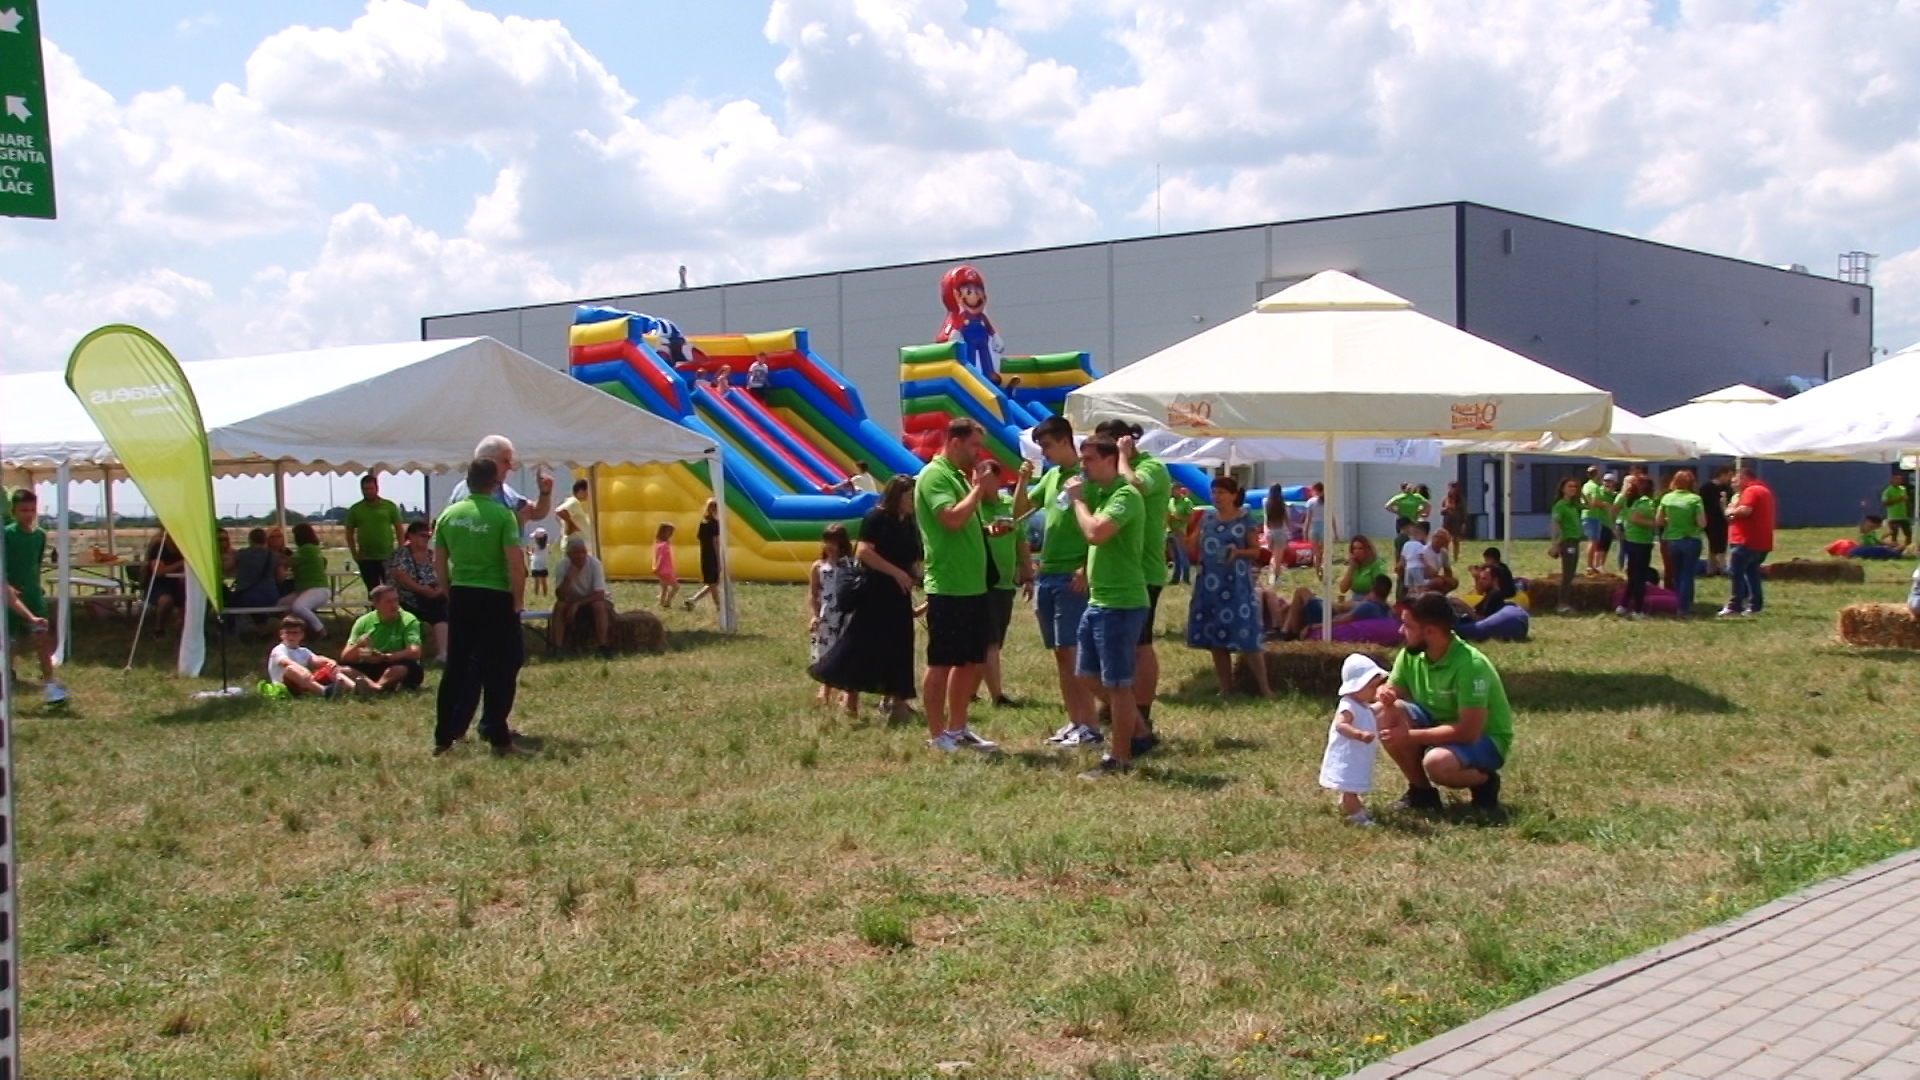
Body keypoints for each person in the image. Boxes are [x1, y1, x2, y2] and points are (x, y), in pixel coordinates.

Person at [1377, 592, 1513, 813]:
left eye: (1407, 625)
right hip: (1438, 725)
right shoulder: (1410, 654)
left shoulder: (1471, 665)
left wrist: (1409, 736)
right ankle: (1422, 794)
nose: (1401, 631)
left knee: (1437, 764)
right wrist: (1383, 694)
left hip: (1484, 739)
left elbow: (1468, 732)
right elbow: (1391, 692)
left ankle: (1485, 782)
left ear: (1430, 631)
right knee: (1385, 712)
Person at [433, 457, 531, 757]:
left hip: (462, 594)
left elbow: (439, 561)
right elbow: (515, 564)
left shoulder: (448, 515)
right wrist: (517, 600)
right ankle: (498, 738)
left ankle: (443, 737)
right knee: (500, 667)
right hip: (495, 596)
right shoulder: (502, 516)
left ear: (468, 481)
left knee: (456, 667)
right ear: (495, 483)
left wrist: (448, 591)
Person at [1068, 435, 1151, 778]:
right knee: (1085, 674)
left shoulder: (1125, 495)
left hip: (1121, 602)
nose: (1083, 465)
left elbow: (1096, 533)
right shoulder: (1102, 494)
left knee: (1117, 684)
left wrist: (1077, 502)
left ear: (1109, 460)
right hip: (1100, 599)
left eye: (1088, 459)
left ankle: (1119, 758)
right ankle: (1138, 730)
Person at [913, 417, 999, 753]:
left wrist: (987, 530)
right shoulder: (935, 475)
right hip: (949, 585)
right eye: (975, 445)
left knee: (970, 661)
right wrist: (978, 489)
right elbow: (949, 519)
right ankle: (937, 735)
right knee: (942, 662)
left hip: (972, 585)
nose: (979, 453)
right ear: (954, 442)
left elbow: (962, 523)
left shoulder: (958, 477)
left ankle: (958, 728)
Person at [1016, 418, 1101, 748]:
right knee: (1061, 654)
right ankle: (1076, 720)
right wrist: (1023, 481)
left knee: (1073, 652)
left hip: (1071, 575)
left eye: (1048, 445)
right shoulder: (1051, 477)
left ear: (1066, 441)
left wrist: (1086, 567)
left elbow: (1100, 524)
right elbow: (1020, 511)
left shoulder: (1088, 478)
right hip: (1047, 574)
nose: (1045, 453)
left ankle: (1090, 725)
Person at [811, 475, 921, 722]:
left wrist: (915, 575)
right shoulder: (876, 518)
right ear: (897, 495)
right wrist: (896, 573)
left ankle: (899, 702)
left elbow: (911, 556)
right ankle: (850, 698)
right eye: (909, 496)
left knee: (901, 645)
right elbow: (864, 552)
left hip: (900, 593)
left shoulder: (909, 522)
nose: (913, 501)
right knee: (863, 644)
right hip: (875, 591)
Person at [1095, 419, 1171, 754]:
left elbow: (1134, 486)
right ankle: (1118, 704)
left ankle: (1142, 710)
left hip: (1145, 570)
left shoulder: (1151, 467)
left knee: (1141, 644)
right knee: (1115, 644)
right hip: (1117, 572)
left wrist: (1123, 457)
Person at [1184, 475, 1271, 697]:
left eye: (1222, 492)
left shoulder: (1245, 520)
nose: (1217, 497)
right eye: (1214, 492)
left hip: (1236, 586)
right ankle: (1226, 687)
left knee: (1246, 636)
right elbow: (1191, 546)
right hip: (1209, 585)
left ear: (1233, 495)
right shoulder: (1207, 519)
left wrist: (1238, 552)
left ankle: (1264, 688)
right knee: (1216, 637)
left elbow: (1257, 552)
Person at [4, 489, 62, 703]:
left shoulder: (39, 535)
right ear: (14, 511)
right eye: (23, 510)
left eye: (32, 510)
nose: (28, 515)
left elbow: (35, 564)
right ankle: (7, 675)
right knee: (9, 641)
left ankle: (49, 682)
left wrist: (36, 588)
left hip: (32, 593)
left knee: (42, 637)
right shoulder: (6, 534)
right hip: (9, 595)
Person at [980, 464, 1027, 708]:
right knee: (989, 641)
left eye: (987, 479)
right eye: (978, 479)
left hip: (1006, 583)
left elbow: (1021, 540)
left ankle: (971, 691)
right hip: (984, 581)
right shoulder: (975, 507)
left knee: (995, 641)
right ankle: (997, 696)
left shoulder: (1009, 505)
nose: (980, 484)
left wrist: (1027, 573)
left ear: (998, 480)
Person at [1321, 654, 1386, 826]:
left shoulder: (1362, 706)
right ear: (1357, 686)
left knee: (1352, 785)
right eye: (1371, 687)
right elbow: (1341, 725)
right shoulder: (1348, 705)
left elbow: (1371, 713)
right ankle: (1357, 816)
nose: (1375, 691)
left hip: (1358, 755)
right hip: (1348, 756)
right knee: (1350, 789)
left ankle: (1349, 803)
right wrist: (1359, 734)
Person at [449, 434, 554, 528]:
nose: (510, 467)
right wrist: (514, 522)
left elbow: (535, 512)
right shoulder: (466, 492)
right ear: (488, 461)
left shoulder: (500, 488)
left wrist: (544, 494)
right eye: (505, 461)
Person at [807, 524, 859, 714]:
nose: (829, 546)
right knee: (826, 653)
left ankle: (847, 691)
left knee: (846, 652)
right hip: (827, 616)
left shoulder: (851, 565)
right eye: (827, 541)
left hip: (847, 616)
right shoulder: (819, 567)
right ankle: (826, 688)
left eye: (834, 542)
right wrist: (814, 615)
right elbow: (814, 594)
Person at [341, 585, 426, 691]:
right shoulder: (363, 622)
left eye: (396, 600)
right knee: (342, 669)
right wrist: (359, 646)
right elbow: (345, 658)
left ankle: (375, 687)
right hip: (370, 665)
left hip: (395, 663)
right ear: (376, 604)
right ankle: (375, 687)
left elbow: (415, 652)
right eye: (388, 602)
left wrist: (386, 657)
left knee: (402, 668)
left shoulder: (408, 620)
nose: (394, 605)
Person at [387, 521, 449, 663]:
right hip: (406, 598)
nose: (426, 539)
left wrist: (439, 589)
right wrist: (422, 590)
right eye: (422, 535)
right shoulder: (401, 554)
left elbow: (442, 574)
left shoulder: (431, 555)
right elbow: (401, 577)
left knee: (445, 607)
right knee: (438, 608)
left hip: (431, 597)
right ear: (411, 536)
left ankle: (444, 652)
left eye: (428, 536)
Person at [1721, 465, 1776, 618]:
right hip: (1761, 541)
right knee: (1752, 572)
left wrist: (1730, 510)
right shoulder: (1764, 490)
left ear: (1744, 478)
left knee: (1736, 572)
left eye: (1735, 480)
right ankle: (1754, 605)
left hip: (1746, 540)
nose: (1732, 483)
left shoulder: (1751, 491)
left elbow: (1745, 511)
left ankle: (1735, 605)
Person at [267, 616, 363, 698]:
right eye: (288, 633)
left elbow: (316, 659)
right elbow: (286, 662)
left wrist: (330, 662)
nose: (291, 636)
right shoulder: (278, 650)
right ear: (281, 634)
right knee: (291, 669)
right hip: (285, 687)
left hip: (303, 683)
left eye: (295, 633)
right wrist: (302, 669)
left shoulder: (303, 651)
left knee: (334, 669)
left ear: (302, 635)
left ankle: (356, 690)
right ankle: (324, 691)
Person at [342, 474, 405, 596]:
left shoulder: (389, 506)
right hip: (367, 558)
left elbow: (399, 528)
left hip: (387, 556)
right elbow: (349, 533)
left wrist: (400, 550)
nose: (368, 492)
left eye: (371, 488)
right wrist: (354, 553)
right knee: (373, 592)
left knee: (390, 590)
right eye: (365, 489)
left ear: (377, 488)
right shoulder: (356, 509)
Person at [552, 535, 613, 658]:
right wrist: (568, 579)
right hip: (572, 599)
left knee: (598, 606)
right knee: (559, 607)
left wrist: (577, 605)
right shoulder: (562, 566)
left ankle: (603, 646)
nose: (580, 556)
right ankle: (557, 648)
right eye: (576, 553)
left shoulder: (594, 564)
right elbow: (560, 596)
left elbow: (599, 594)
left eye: (583, 552)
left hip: (594, 599)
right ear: (569, 555)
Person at [1657, 470, 1706, 614]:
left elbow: (1659, 521)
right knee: (1687, 574)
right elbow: (1702, 523)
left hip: (1672, 540)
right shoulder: (1695, 499)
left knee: (1677, 574)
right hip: (1691, 539)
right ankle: (1684, 606)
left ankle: (1677, 603)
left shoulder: (1667, 498)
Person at [1616, 474, 1658, 618]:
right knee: (1640, 577)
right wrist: (1655, 523)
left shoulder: (1633, 501)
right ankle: (1638, 609)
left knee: (1633, 576)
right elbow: (1635, 518)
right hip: (1641, 541)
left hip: (1631, 540)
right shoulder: (1645, 502)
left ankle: (1623, 605)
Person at [285, 523, 332, 636]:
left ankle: (321, 630)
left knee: (298, 607)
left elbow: (287, 563)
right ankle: (293, 630)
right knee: (282, 604)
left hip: (316, 589)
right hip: (313, 589)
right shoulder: (315, 549)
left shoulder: (305, 549)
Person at [1547, 477, 1582, 614]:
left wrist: (1581, 493)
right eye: (1569, 486)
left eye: (1575, 486)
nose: (1573, 489)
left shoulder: (1573, 505)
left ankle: (1565, 602)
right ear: (1562, 489)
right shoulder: (1560, 505)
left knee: (1571, 574)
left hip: (1575, 541)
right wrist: (1555, 544)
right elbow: (1555, 524)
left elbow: (1589, 505)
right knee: (1567, 574)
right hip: (1567, 541)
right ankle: (1562, 604)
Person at [142, 528, 186, 634]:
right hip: (160, 584)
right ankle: (159, 629)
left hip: (181, 583)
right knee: (166, 600)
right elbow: (159, 571)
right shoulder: (159, 547)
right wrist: (182, 563)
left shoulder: (186, 547)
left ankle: (186, 628)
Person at [684, 500, 723, 613]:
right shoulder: (715, 524)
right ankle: (719, 606)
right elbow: (715, 542)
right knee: (713, 583)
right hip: (712, 555)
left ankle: (693, 600)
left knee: (712, 583)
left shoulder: (703, 523)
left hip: (705, 554)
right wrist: (719, 559)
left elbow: (701, 538)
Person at [1700, 465, 1733, 577]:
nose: (1730, 479)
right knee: (1713, 545)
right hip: (1710, 521)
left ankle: (1720, 567)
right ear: (1722, 474)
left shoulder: (1728, 489)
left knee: (1722, 545)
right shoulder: (1706, 488)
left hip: (1723, 521)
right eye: (1729, 476)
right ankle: (1713, 568)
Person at [1472, 547, 1517, 620]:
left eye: (1486, 560)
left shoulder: (1495, 571)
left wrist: (1476, 577)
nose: (1485, 562)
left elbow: (1479, 594)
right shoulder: (1503, 567)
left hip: (1506, 595)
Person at [1166, 484, 1198, 585]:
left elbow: (1191, 518)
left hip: (1180, 531)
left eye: (1174, 490)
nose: (1172, 492)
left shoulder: (1186, 502)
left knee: (1182, 555)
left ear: (1179, 490)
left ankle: (1186, 578)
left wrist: (1178, 518)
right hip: (1170, 530)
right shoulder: (1170, 501)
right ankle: (1175, 578)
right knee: (1175, 557)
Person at [554, 478, 595, 557]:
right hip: (575, 549)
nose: (588, 494)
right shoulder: (574, 502)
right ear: (581, 491)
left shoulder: (577, 504)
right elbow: (560, 511)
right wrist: (571, 525)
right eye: (587, 491)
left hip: (578, 549)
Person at [652, 522, 680, 609]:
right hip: (666, 570)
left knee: (664, 588)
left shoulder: (658, 543)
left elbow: (657, 556)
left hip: (662, 571)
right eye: (669, 532)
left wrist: (656, 568)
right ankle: (667, 602)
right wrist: (657, 567)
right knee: (676, 587)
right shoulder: (664, 545)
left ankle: (661, 603)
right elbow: (661, 557)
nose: (671, 534)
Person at [1303, 481, 1329, 571]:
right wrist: (1335, 531)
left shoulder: (1311, 502)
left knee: (1316, 553)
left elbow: (1308, 518)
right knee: (1324, 553)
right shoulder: (1327, 501)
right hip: (1325, 527)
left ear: (1314, 490)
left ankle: (1318, 571)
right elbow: (1331, 517)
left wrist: (1305, 531)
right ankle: (1324, 570)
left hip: (1314, 527)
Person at [1883, 468, 1912, 548]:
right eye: (1897, 479)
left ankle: (1907, 547)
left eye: (1900, 479)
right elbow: (1885, 503)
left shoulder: (1903, 489)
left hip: (1903, 516)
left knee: (1908, 533)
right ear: (1892, 480)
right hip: (1893, 517)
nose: (1899, 480)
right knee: (1894, 533)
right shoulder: (1888, 491)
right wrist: (1898, 499)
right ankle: (1893, 548)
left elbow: (1905, 499)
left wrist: (1906, 500)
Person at [1440, 481, 1467, 559]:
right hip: (1447, 522)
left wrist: (1463, 524)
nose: (1452, 489)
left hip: (1457, 522)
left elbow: (1464, 512)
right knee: (1445, 540)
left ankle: (1456, 557)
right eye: (1450, 488)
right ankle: (1445, 557)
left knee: (1456, 540)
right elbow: (1441, 511)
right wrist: (1446, 509)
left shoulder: (1460, 500)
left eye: (1454, 488)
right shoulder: (1445, 499)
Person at [528, 528, 551, 598]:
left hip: (535, 566)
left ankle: (536, 595)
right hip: (544, 566)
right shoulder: (547, 546)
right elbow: (549, 553)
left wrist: (528, 553)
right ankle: (545, 595)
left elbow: (532, 553)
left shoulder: (534, 546)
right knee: (544, 582)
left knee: (536, 582)